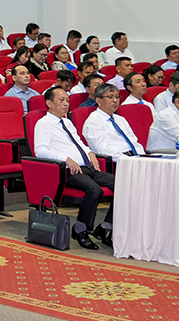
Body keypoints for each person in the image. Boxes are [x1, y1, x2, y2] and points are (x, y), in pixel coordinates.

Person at [34, 87, 114, 250]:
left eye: (67, 100)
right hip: (67, 171)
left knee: (122, 184)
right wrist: (65, 159)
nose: (66, 104)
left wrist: (90, 152)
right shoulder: (43, 124)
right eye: (61, 100)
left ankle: (106, 226)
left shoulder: (67, 122)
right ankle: (80, 229)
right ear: (49, 103)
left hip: (86, 167)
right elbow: (40, 150)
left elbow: (78, 142)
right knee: (94, 191)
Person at [81, 84, 145, 159]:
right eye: (110, 97)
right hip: (117, 160)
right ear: (99, 101)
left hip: (134, 157)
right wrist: (127, 159)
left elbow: (134, 142)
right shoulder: (93, 122)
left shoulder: (120, 119)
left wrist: (142, 157)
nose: (115, 100)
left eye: (117, 97)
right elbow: (103, 150)